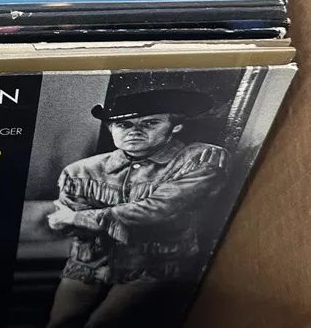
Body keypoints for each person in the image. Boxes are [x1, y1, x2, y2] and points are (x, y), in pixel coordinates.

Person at [45, 89, 228, 328]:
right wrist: (77, 222)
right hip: (89, 261)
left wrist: (78, 217)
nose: (135, 131)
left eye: (150, 123)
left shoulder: (199, 159)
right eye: (124, 124)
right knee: (60, 322)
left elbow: (158, 209)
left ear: (176, 127)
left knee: (105, 324)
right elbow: (66, 226)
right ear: (110, 128)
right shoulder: (80, 171)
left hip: (154, 264)